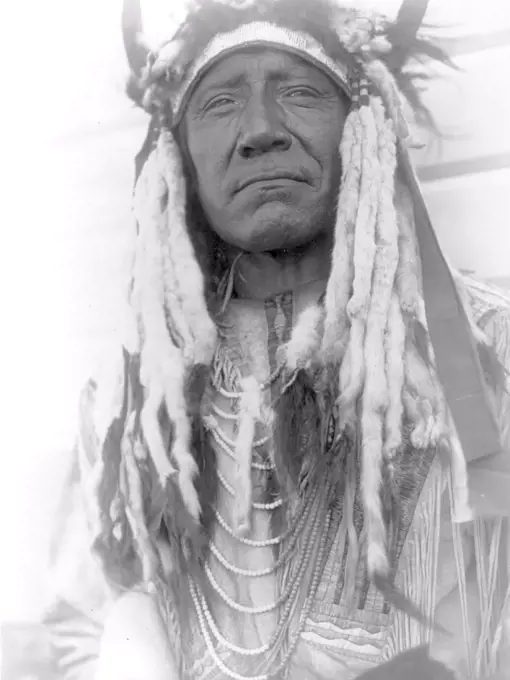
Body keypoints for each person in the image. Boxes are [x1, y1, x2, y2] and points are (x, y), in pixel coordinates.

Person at [44, 0, 510, 678]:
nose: (260, 129)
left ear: (364, 131)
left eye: (299, 92)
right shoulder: (139, 401)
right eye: (220, 103)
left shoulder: (484, 352)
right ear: (178, 162)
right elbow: (78, 629)